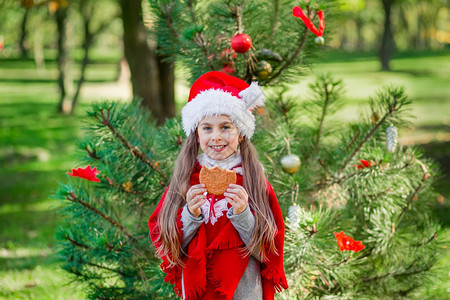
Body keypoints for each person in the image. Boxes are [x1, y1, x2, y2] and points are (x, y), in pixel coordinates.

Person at [148, 71, 288, 300]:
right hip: (198, 289)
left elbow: (267, 251)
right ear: (196, 132)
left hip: (244, 290)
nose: (216, 137)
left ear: (240, 133)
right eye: (207, 128)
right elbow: (165, 240)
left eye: (225, 127)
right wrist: (190, 215)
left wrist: (243, 214)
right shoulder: (186, 180)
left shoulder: (253, 181)